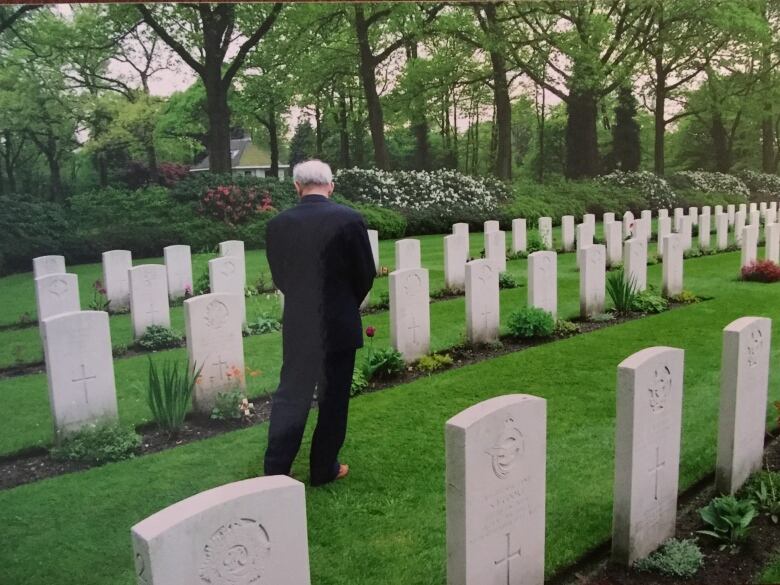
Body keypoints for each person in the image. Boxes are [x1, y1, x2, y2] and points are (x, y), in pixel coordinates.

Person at [263, 159, 376, 486]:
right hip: (340, 322)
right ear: (331, 186)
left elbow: (280, 275)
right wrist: (343, 304)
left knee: (291, 395)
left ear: (297, 187)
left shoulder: (279, 224)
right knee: (334, 398)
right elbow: (364, 274)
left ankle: (276, 468)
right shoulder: (350, 220)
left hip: (301, 323)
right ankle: (323, 467)